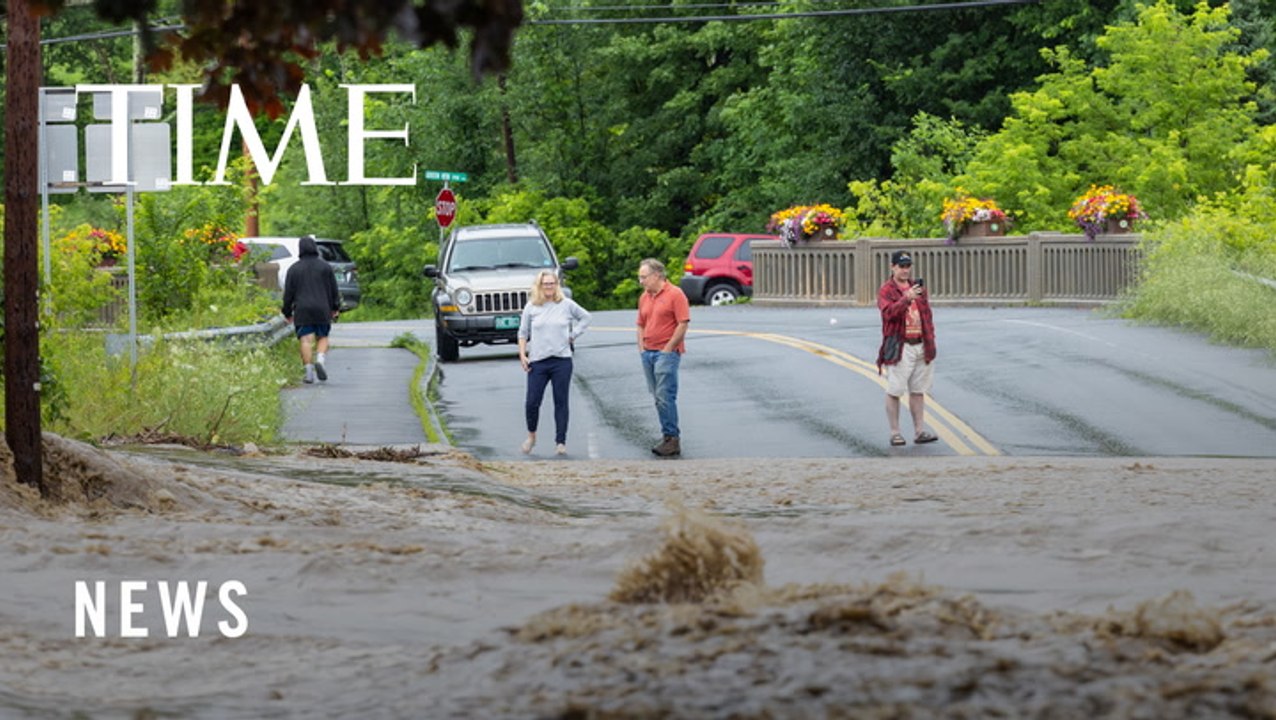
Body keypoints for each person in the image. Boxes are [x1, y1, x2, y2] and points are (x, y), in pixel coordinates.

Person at [517, 270, 592, 456]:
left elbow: (586, 317)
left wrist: (573, 335)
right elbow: (522, 333)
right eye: (545, 284)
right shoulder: (531, 307)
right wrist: (522, 354)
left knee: (561, 401)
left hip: (561, 360)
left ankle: (560, 441)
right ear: (539, 286)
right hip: (538, 361)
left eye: (552, 283)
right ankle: (531, 436)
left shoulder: (566, 304)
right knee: (532, 402)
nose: (549, 287)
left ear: (557, 285)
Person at [876, 249, 938, 446]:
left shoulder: (918, 288)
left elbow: (927, 315)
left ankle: (919, 431)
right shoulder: (887, 290)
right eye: (901, 266)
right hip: (901, 346)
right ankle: (895, 432)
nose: (905, 270)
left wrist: (931, 342)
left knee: (918, 391)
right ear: (892, 267)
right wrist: (906, 298)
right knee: (895, 390)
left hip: (921, 344)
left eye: (908, 266)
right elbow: (889, 314)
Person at [636, 258, 691, 457]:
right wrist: (641, 348)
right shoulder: (644, 297)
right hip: (648, 352)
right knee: (657, 397)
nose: (641, 281)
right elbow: (640, 323)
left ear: (657, 275)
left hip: (666, 353)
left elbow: (683, 323)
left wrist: (668, 348)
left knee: (664, 395)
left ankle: (672, 438)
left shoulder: (675, 294)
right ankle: (667, 437)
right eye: (639, 278)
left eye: (644, 277)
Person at [282, 235, 340, 384]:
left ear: (300, 249)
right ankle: (320, 359)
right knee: (323, 337)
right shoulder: (325, 267)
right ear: (315, 248)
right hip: (322, 308)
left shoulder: (294, 269)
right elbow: (333, 289)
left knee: (306, 341)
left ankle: (308, 373)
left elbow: (288, 294)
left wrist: (287, 312)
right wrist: (335, 307)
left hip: (302, 309)